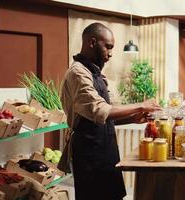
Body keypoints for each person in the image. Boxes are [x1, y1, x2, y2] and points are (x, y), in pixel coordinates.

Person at [60, 22, 160, 200]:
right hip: (89, 153)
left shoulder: (96, 73)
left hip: (106, 150)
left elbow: (106, 116)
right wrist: (141, 105)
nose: (110, 53)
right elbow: (99, 110)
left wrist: (133, 118)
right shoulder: (78, 73)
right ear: (92, 42)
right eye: (108, 47)